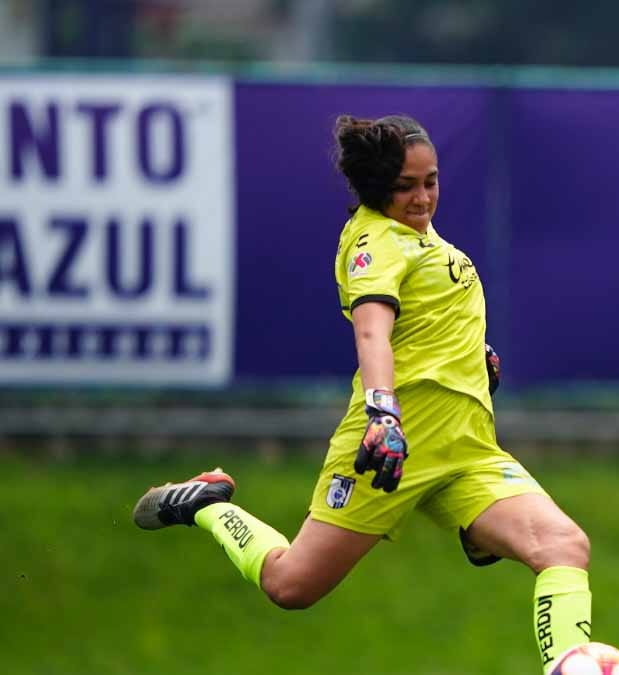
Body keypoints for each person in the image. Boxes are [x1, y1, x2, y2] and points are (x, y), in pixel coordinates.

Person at [133, 113, 594, 674]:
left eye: (431, 180)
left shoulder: (424, 239)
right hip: (389, 448)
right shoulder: (374, 242)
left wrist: (476, 353)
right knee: (291, 584)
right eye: (406, 186)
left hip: (466, 452)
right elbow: (372, 330)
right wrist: (383, 410)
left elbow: (425, 321)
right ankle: (206, 503)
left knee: (564, 547)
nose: (422, 197)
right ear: (377, 187)